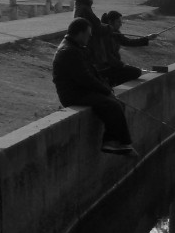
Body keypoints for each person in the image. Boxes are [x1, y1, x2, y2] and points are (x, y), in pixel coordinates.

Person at [52, 17, 136, 156]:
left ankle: (116, 141)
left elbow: (91, 73)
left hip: (81, 90)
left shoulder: (75, 47)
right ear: (79, 33)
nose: (90, 37)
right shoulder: (68, 51)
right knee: (112, 105)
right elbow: (85, 78)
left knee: (116, 103)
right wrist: (105, 90)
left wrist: (106, 87)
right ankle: (117, 143)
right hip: (73, 94)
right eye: (88, 34)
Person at [98, 10, 156, 85]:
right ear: (110, 22)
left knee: (135, 72)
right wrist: (121, 65)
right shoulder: (104, 35)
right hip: (106, 68)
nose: (121, 24)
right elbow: (107, 56)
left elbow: (128, 42)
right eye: (118, 22)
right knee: (136, 72)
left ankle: (113, 83)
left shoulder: (116, 33)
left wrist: (147, 38)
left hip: (114, 66)